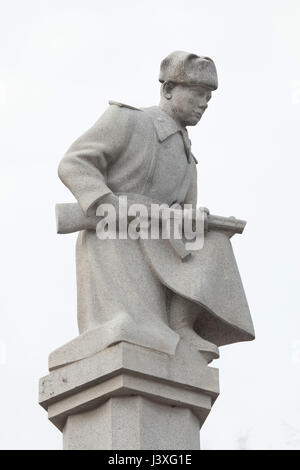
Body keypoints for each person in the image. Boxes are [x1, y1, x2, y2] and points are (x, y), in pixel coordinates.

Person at [57, 51, 254, 364]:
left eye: (208, 97)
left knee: (213, 240)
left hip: (160, 243)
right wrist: (106, 202)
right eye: (198, 94)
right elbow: (74, 163)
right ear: (168, 90)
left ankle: (182, 324)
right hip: (115, 240)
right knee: (135, 332)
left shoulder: (189, 160)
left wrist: (196, 221)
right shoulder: (128, 120)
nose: (204, 103)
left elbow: (184, 221)